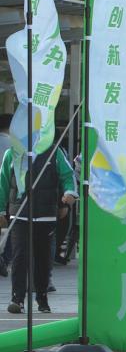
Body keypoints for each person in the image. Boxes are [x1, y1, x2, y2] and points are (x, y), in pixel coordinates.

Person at [0, 136, 75, 317]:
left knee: (43, 258)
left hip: (45, 215)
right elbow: (3, 182)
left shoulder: (54, 152)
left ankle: (42, 297)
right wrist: (1, 210)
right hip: (19, 213)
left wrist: (69, 193)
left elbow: (67, 175)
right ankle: (17, 299)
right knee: (19, 256)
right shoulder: (12, 153)